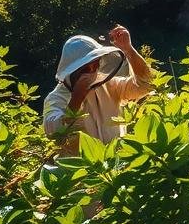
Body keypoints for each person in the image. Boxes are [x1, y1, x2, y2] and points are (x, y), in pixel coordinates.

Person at [43, 25, 154, 154]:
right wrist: (76, 99)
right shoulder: (56, 98)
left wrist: (128, 49)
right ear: (72, 70)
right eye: (85, 68)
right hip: (82, 171)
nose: (92, 72)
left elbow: (146, 84)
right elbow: (54, 132)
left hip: (117, 163)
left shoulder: (108, 85)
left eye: (96, 65)